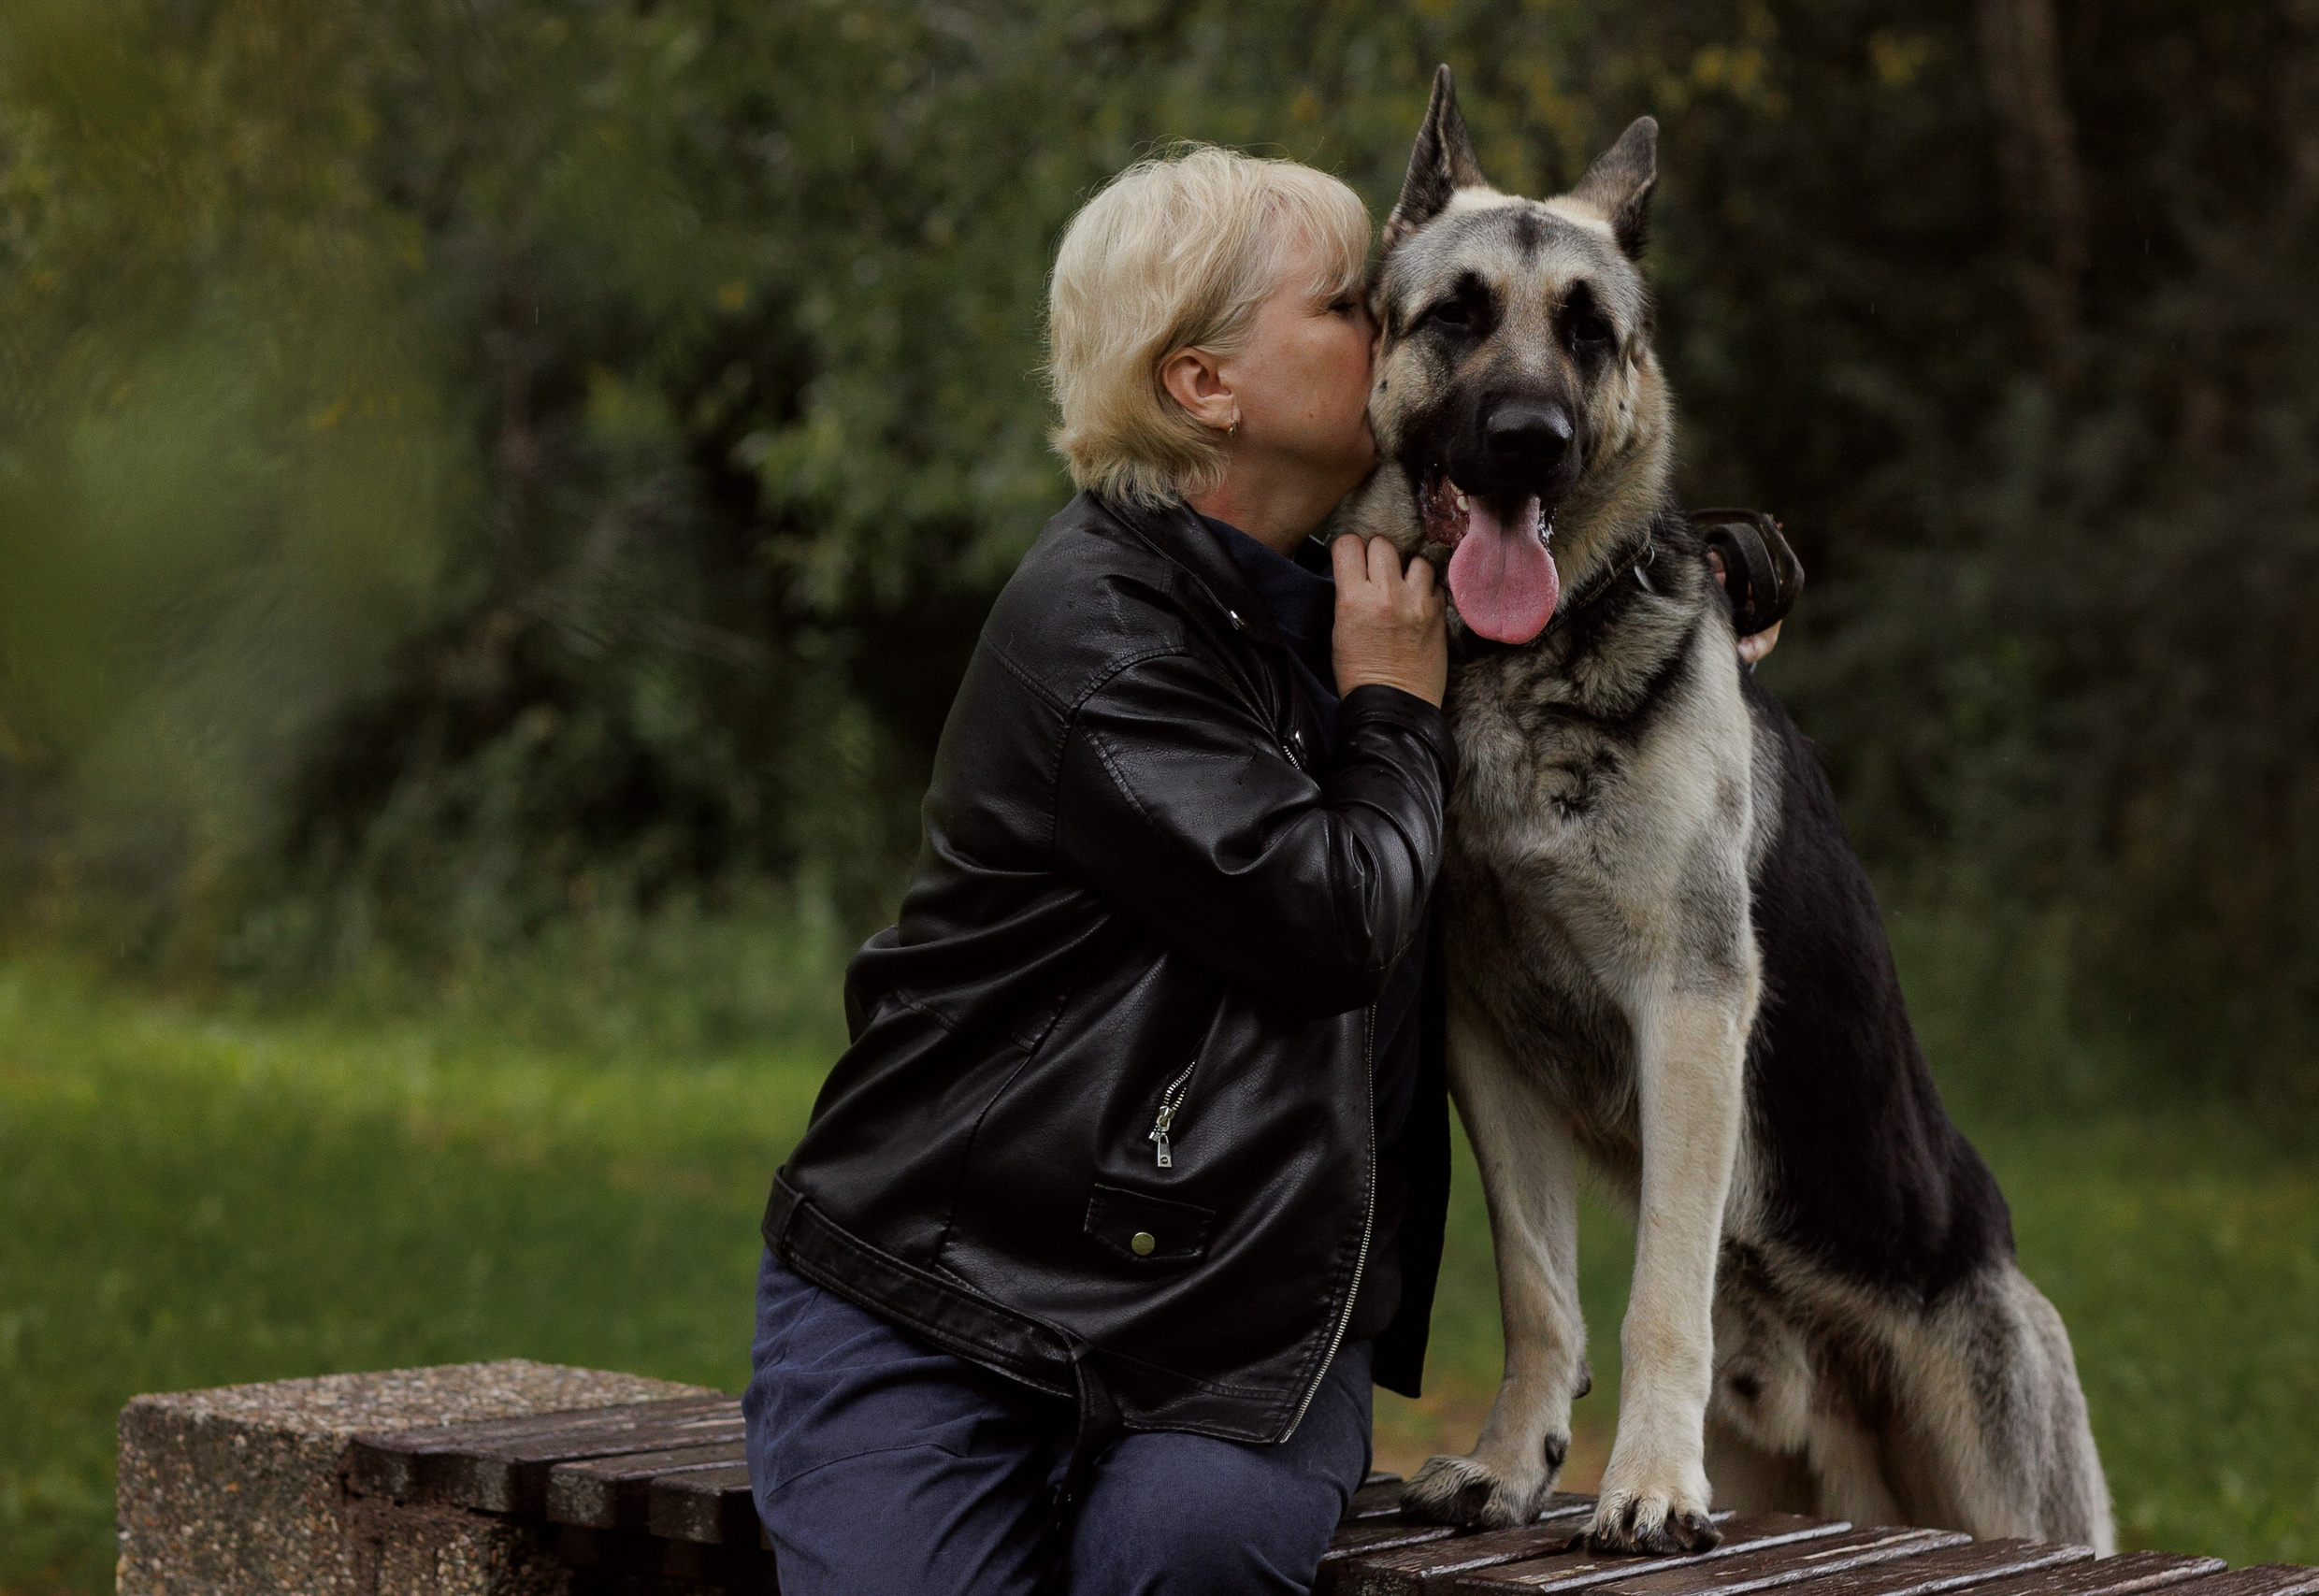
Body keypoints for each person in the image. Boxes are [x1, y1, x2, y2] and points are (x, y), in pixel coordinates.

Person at [743, 144, 1777, 1594]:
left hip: (1243, 1325)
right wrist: (1394, 710)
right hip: (952, 1303)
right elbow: (1338, 913)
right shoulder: (1103, 638)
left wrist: (1681, 571)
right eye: (1362, 304)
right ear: (1203, 387)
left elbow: (1539, 565)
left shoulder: (1345, 575)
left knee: (1193, 1566)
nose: (1397, 333)